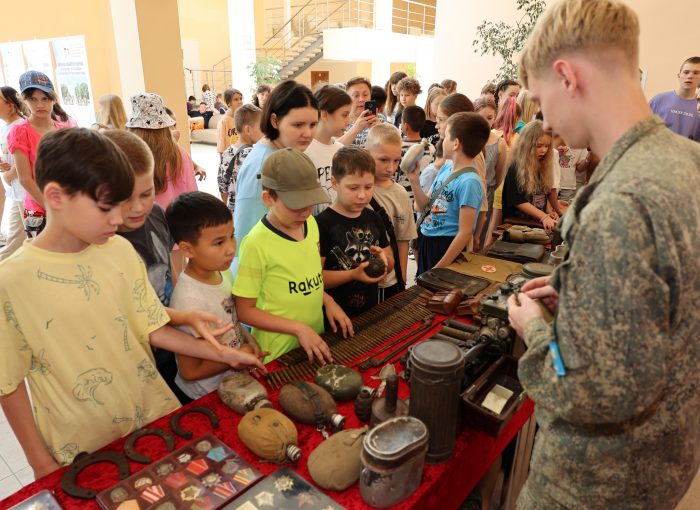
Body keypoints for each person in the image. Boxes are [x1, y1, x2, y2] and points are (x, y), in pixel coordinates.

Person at [507, 1, 700, 508]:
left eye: (540, 99)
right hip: (666, 458)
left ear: (566, 76)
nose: (543, 120)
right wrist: (578, 287)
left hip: (595, 483)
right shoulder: (687, 160)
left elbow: (586, 388)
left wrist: (535, 329)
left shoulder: (619, 207)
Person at [0, 128, 264, 477]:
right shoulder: (12, 281)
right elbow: (8, 382)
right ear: (56, 196)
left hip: (152, 417)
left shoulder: (119, 250)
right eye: (108, 207)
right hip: (80, 444)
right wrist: (39, 462)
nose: (119, 218)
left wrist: (224, 354)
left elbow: (151, 324)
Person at [108, 130, 229, 405]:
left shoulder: (158, 216)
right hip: (131, 355)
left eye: (147, 193)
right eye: (124, 198)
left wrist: (183, 310)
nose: (138, 207)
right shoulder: (106, 239)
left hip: (167, 340)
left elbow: (172, 268)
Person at [234, 148, 352, 364]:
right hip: (278, 353)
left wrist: (328, 300)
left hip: (313, 341)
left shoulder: (312, 225)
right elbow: (244, 311)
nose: (305, 211)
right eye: (295, 204)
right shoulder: (256, 244)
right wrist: (297, 328)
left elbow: (309, 275)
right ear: (268, 198)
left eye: (309, 202)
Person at [166, 192, 265, 400]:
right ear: (187, 249)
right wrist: (238, 356)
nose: (230, 249)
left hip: (232, 378)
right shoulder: (188, 301)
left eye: (232, 236)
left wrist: (250, 342)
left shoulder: (222, 271)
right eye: (219, 243)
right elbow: (190, 372)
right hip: (204, 393)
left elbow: (233, 318)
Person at [234, 80, 319, 257]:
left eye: (312, 125)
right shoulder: (262, 166)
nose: (308, 134)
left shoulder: (287, 153)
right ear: (275, 120)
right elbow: (247, 238)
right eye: (298, 125)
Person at [316, 146, 392, 317]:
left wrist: (383, 259)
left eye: (368, 187)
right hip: (334, 317)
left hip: (371, 311)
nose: (362, 195)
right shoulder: (322, 224)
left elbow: (390, 262)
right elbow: (315, 280)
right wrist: (352, 275)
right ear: (334, 183)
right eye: (353, 188)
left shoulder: (374, 218)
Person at [409, 112, 489, 273]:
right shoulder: (446, 167)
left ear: (455, 144)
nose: (442, 141)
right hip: (428, 240)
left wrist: (439, 268)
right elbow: (422, 206)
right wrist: (414, 181)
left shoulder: (470, 182)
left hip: (446, 246)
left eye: (445, 137)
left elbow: (465, 232)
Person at [8, 71, 72, 237]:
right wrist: (50, 207)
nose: (39, 105)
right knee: (43, 261)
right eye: (33, 99)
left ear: (54, 99)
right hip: (37, 209)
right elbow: (25, 179)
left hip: (66, 204)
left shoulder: (63, 131)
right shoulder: (20, 131)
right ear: (24, 100)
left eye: (45, 98)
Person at [366, 124, 417, 299]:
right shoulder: (356, 190)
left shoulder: (400, 194)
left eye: (396, 160)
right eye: (383, 160)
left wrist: (401, 274)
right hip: (358, 278)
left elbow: (403, 239)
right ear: (367, 154)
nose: (391, 168)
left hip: (389, 279)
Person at [126, 93, 199, 210]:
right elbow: (192, 192)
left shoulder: (128, 155)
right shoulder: (179, 153)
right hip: (178, 218)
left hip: (143, 220)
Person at [501, 120, 558, 232]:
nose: (544, 150)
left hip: (536, 224)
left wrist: (549, 212)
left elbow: (543, 195)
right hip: (518, 226)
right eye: (539, 146)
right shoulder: (515, 167)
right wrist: (543, 216)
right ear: (526, 145)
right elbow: (517, 201)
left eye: (547, 146)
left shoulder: (542, 165)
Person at [305, 85, 352, 211]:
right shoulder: (305, 151)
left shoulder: (341, 150)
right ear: (324, 115)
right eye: (344, 115)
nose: (348, 121)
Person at [474, 96, 507, 249]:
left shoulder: (499, 143)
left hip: (487, 195)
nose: (485, 122)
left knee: (479, 238)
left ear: (495, 117)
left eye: (489, 118)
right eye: (481, 118)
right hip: (467, 192)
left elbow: (499, 176)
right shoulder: (468, 139)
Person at [218, 104, 263, 214]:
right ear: (248, 129)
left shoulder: (227, 152)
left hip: (233, 212)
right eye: (262, 127)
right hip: (250, 212)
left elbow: (222, 186)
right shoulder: (253, 155)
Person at [0, 86, 27, 260]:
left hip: (25, 193)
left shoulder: (20, 126)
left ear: (10, 105)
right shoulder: (6, 127)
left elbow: (27, 157)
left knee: (24, 239)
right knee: (15, 240)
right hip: (15, 192)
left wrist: (11, 174)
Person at [649, 56, 700, 141]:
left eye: (696, 73)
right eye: (686, 72)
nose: (690, 76)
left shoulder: (699, 106)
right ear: (679, 75)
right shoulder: (658, 100)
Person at [397, 105, 435, 200]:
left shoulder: (398, 147)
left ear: (405, 126)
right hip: (423, 196)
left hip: (403, 197)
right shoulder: (430, 147)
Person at [338, 77, 379, 146]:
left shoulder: (379, 119)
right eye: (356, 95)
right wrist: (356, 128)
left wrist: (379, 131)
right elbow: (333, 148)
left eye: (365, 95)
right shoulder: (339, 120)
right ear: (347, 97)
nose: (361, 99)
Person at [217, 88, 243, 155]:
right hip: (229, 157)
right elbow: (221, 145)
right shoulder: (224, 121)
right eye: (236, 99)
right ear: (228, 103)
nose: (240, 101)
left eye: (241, 98)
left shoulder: (242, 118)